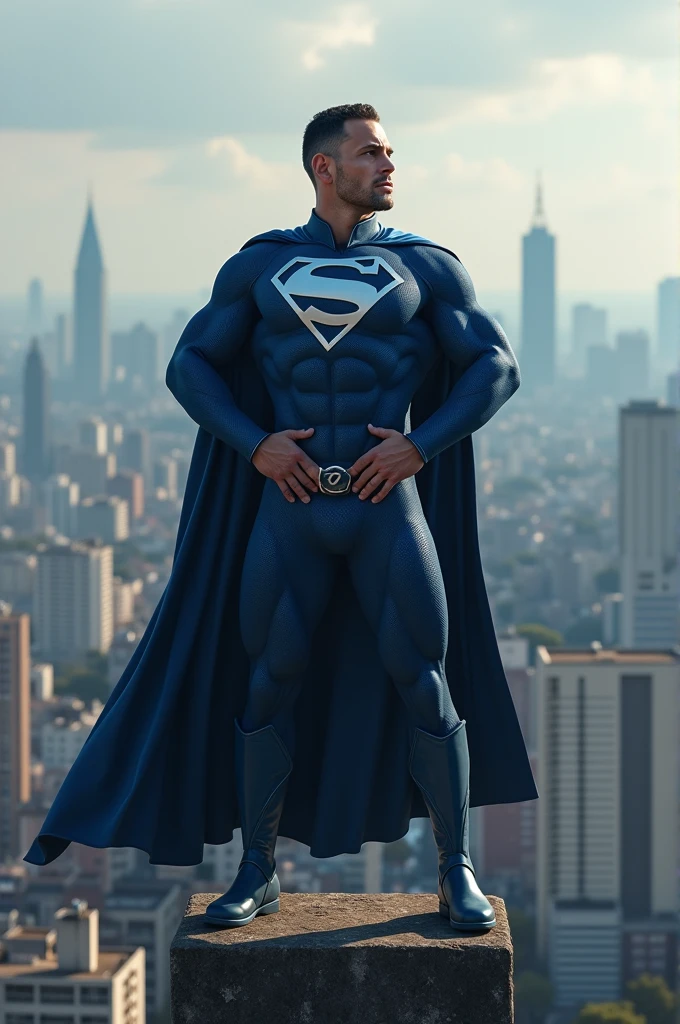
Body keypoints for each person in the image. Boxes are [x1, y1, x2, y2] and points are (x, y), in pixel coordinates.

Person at [24, 103, 538, 933]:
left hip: (384, 508)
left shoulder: (428, 268)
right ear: (323, 168)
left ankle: (455, 868)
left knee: (425, 678)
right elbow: (190, 365)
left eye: (390, 152)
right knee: (269, 681)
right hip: (290, 508)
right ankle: (257, 871)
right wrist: (256, 443)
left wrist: (421, 447)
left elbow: (495, 365)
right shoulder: (259, 266)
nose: (389, 165)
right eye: (372, 153)